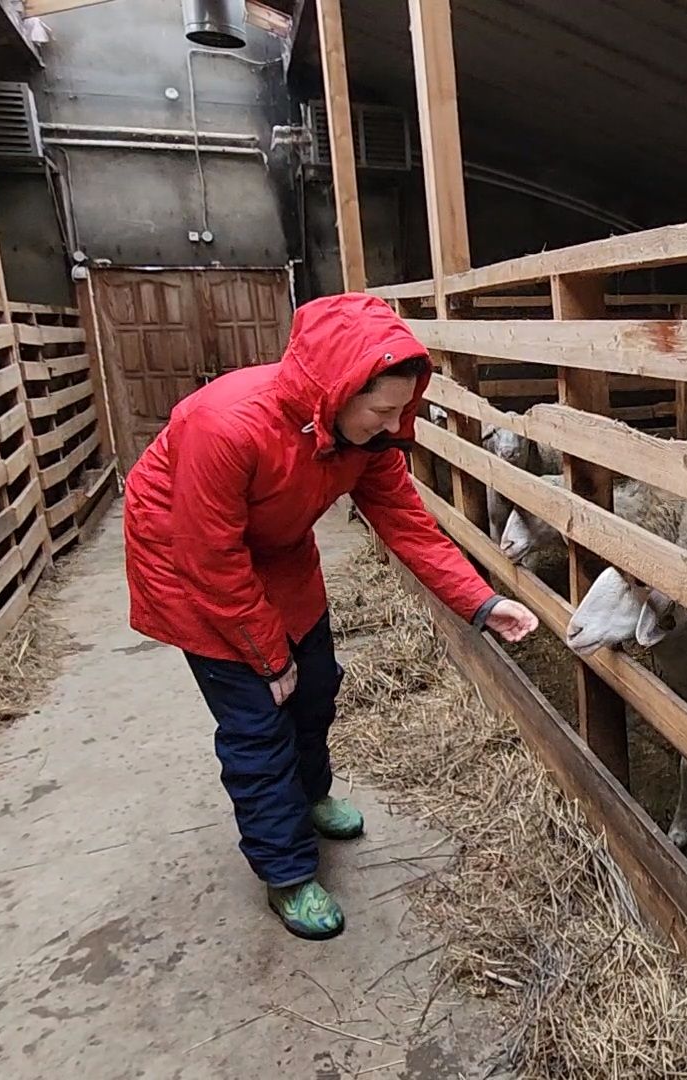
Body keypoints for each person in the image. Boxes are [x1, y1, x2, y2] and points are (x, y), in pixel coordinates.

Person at [122, 292, 538, 940]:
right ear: (340, 387)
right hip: (190, 569)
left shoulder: (361, 441)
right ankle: (287, 873)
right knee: (258, 724)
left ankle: (311, 793)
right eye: (384, 409)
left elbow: (409, 525)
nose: (394, 422)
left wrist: (481, 601)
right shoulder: (226, 425)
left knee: (315, 688)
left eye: (403, 407)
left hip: (278, 549)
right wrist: (267, 654)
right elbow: (210, 558)